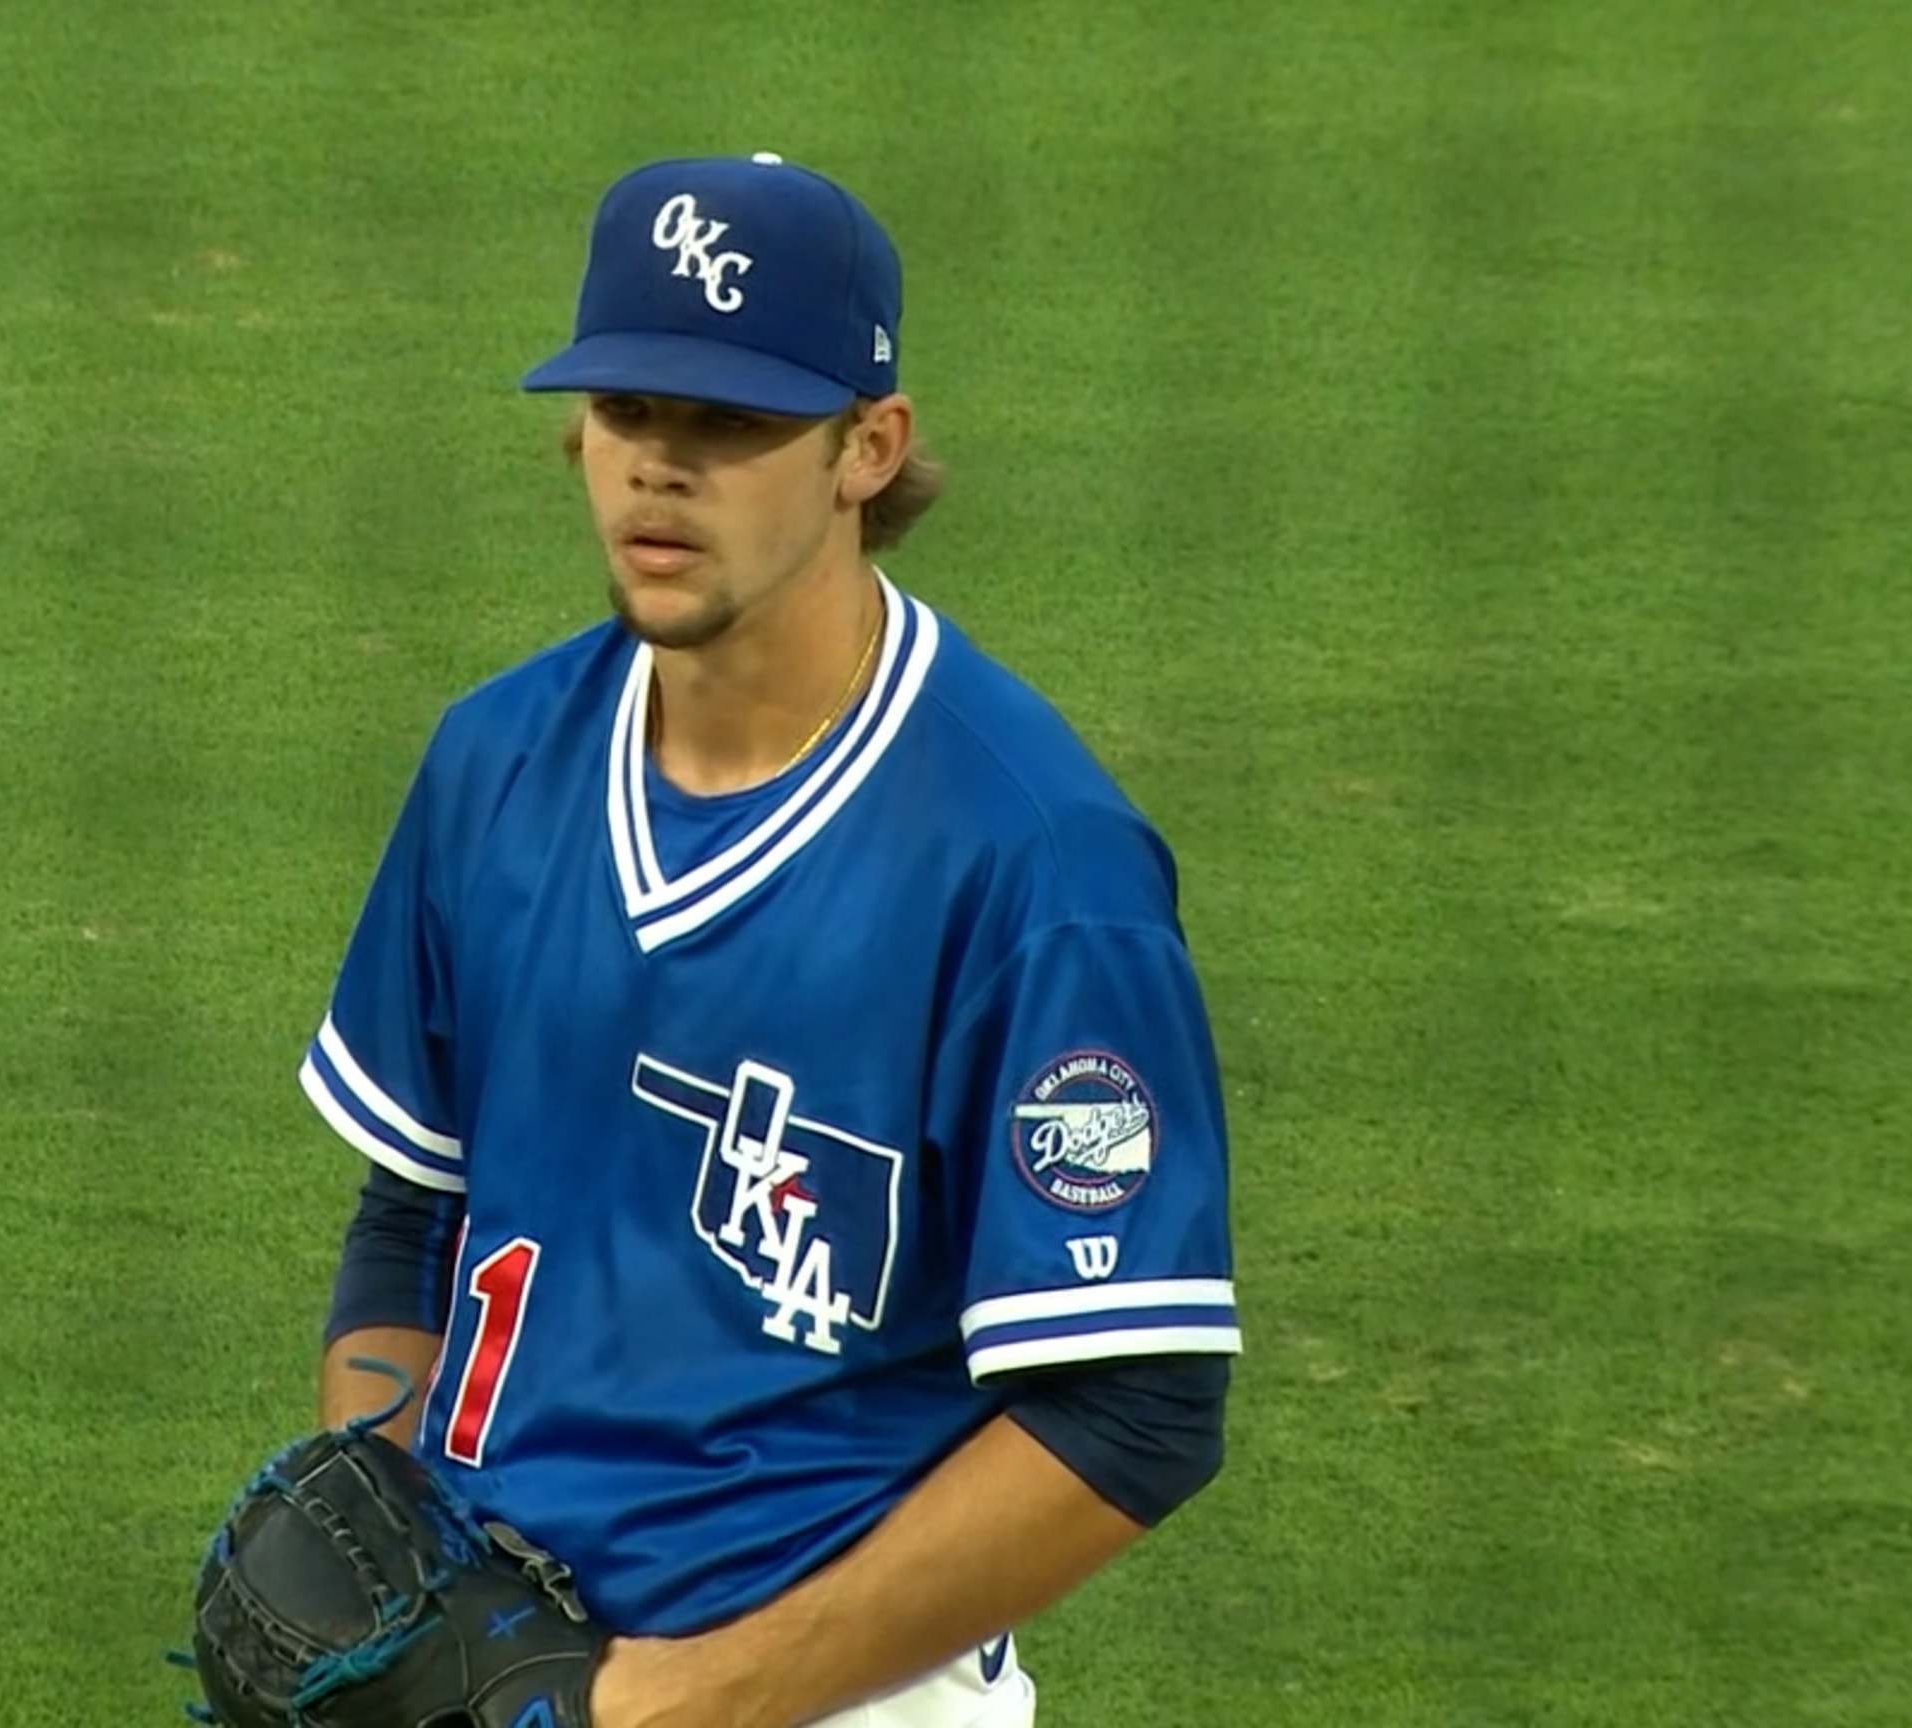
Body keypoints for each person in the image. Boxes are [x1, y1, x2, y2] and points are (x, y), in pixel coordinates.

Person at [297, 151, 1239, 1728]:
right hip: (486, 1665)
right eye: (627, 413)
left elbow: (1135, 1413)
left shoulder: (1036, 862)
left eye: (730, 424)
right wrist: (380, 1565)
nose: (660, 470)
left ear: (870, 447)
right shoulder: (495, 763)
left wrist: (689, 1704)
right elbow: (413, 1218)